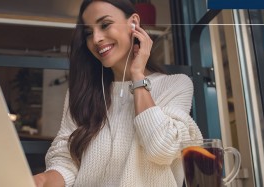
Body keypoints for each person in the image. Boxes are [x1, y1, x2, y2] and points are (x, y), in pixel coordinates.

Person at [34, 0, 202, 186]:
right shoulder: (82, 92)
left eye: (105, 25)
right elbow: (66, 159)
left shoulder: (175, 85)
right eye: (89, 33)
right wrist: (42, 180)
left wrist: (137, 75)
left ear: (134, 23)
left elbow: (162, 148)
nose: (96, 39)